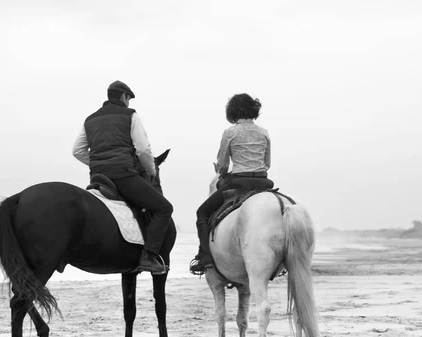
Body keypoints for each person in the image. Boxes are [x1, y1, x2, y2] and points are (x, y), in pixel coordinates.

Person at [73, 80, 173, 275]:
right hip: (123, 175)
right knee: (164, 208)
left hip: (98, 178)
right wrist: (151, 170)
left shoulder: (90, 119)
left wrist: (96, 163)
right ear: (124, 97)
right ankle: (148, 256)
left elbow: (77, 151)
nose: (128, 102)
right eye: (128, 99)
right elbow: (143, 149)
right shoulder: (130, 115)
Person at [190, 93, 274, 275]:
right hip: (263, 183)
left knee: (202, 213)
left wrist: (221, 170)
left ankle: (205, 257)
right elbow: (267, 163)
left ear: (233, 112)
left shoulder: (230, 132)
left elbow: (222, 163)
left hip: (239, 182)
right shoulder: (264, 132)